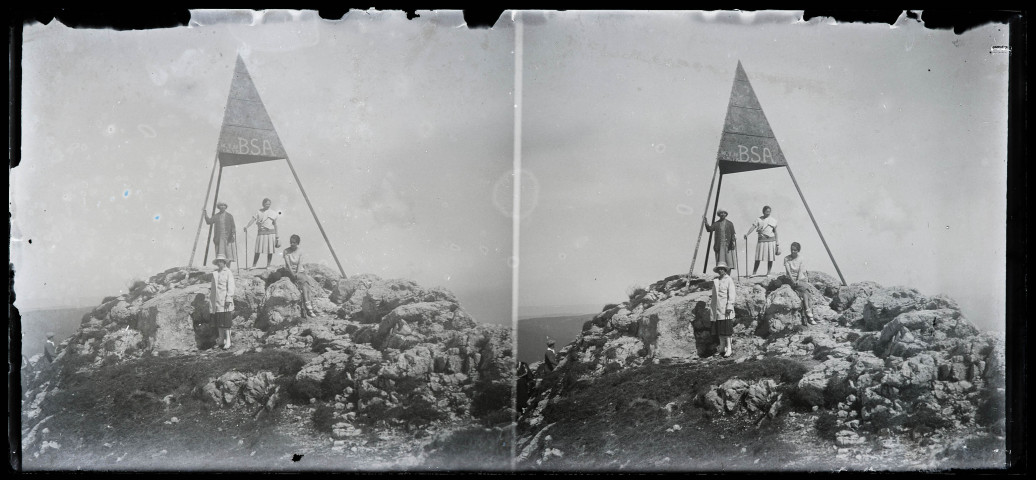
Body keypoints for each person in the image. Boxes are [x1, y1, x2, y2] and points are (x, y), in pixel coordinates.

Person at [281, 234, 316, 318]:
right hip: (289, 271)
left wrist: (297, 273)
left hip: (299, 271)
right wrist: (293, 274)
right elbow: (288, 264)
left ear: (297, 243)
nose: (292, 244)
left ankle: (309, 306)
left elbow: (300, 264)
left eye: (294, 243)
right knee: (304, 284)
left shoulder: (300, 251)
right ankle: (309, 308)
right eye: (291, 242)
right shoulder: (286, 251)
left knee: (306, 285)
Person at [784, 242, 816, 325]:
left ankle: (807, 312)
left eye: (795, 250)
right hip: (791, 279)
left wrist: (798, 280)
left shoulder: (801, 258)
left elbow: (800, 270)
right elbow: (788, 272)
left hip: (800, 279)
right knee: (806, 290)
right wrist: (793, 280)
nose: (793, 251)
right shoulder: (786, 258)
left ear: (798, 250)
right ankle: (810, 315)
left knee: (807, 292)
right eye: (792, 249)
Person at [243, 198, 280, 269]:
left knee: (270, 249)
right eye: (266, 204)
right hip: (261, 232)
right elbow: (252, 220)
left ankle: (268, 265)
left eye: (269, 204)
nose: (268, 205)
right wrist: (247, 226)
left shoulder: (273, 212)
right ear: (263, 204)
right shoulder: (258, 212)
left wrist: (277, 235)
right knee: (258, 249)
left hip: (271, 233)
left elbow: (275, 224)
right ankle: (254, 265)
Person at [744, 205, 779, 277]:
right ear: (763, 212)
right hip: (761, 240)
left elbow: (775, 232)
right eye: (766, 212)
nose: (768, 213)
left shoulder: (773, 220)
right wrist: (747, 234)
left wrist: (777, 242)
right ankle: (754, 273)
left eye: (769, 212)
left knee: (770, 257)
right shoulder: (758, 219)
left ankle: (768, 273)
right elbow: (753, 227)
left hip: (771, 240)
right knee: (758, 257)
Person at [210, 254, 236, 349]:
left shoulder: (228, 272)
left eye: (221, 261)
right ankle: (221, 340)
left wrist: (229, 298)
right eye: (218, 261)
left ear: (224, 262)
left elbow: (231, 286)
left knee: (226, 322)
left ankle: (228, 341)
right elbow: (213, 289)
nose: (219, 263)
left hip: (225, 301)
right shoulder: (215, 273)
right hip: (217, 302)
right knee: (219, 321)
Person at [710, 262, 736, 357]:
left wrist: (729, 306)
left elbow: (732, 294)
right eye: (719, 269)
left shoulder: (728, 280)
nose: (720, 270)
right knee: (719, 330)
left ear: (725, 270)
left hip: (725, 309)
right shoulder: (716, 280)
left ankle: (729, 348)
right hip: (717, 309)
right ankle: (722, 348)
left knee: (727, 331)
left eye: (722, 269)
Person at [202, 201, 238, 265]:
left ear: (226, 207)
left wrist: (233, 232)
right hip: (219, 238)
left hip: (228, 238)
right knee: (220, 255)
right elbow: (209, 222)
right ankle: (221, 268)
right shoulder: (216, 216)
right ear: (219, 207)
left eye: (224, 205)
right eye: (221, 205)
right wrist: (205, 214)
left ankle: (228, 268)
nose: (222, 207)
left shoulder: (229, 216)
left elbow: (233, 226)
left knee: (228, 254)